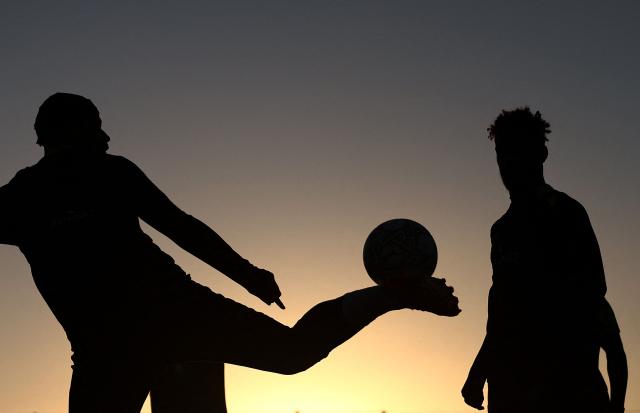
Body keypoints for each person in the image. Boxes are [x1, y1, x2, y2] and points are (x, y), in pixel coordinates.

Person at [0, 92, 461, 413]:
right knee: (293, 352)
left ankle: (397, 294)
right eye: (94, 128)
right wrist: (249, 275)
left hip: (172, 314)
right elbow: (183, 229)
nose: (104, 138)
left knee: (293, 352)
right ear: (62, 134)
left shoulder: (105, 174)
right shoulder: (24, 197)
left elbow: (182, 228)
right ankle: (398, 294)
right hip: (108, 351)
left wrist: (248, 275)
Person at [460, 107, 626, 413]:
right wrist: (478, 370)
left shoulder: (566, 213)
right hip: (511, 392)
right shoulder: (502, 230)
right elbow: (501, 313)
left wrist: (616, 404)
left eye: (518, 150)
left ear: (541, 153)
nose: (508, 162)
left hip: (568, 390)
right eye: (502, 152)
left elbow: (594, 296)